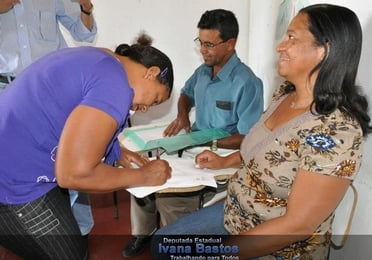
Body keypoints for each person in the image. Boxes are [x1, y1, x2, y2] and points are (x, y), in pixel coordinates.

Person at [152, 4, 372, 259]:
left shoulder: (337, 131)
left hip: (279, 246)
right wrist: (224, 161)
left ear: (325, 50)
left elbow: (297, 226)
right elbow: (263, 146)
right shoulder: (284, 96)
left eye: (292, 37)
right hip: (235, 213)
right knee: (163, 244)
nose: (280, 46)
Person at [0, 33, 174, 260]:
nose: (146, 109)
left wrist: (117, 151)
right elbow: (75, 175)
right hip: (14, 181)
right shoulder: (117, 87)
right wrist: (142, 176)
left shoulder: (102, 59)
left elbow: (73, 115)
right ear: (151, 73)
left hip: (19, 159)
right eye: (156, 100)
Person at [122, 9, 264, 258]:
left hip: (224, 153)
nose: (203, 50)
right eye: (201, 42)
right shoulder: (203, 72)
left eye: (210, 44)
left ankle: (181, 245)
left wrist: (209, 141)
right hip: (193, 144)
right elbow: (186, 93)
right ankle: (142, 234)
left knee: (170, 198)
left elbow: (249, 139)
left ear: (230, 44)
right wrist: (182, 115)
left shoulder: (247, 83)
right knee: (142, 170)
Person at [0, 0, 97, 236]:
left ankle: (79, 230)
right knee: (12, 164)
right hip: (6, 91)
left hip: (50, 91)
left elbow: (84, 33)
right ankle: (25, 231)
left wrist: (85, 7)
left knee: (67, 153)